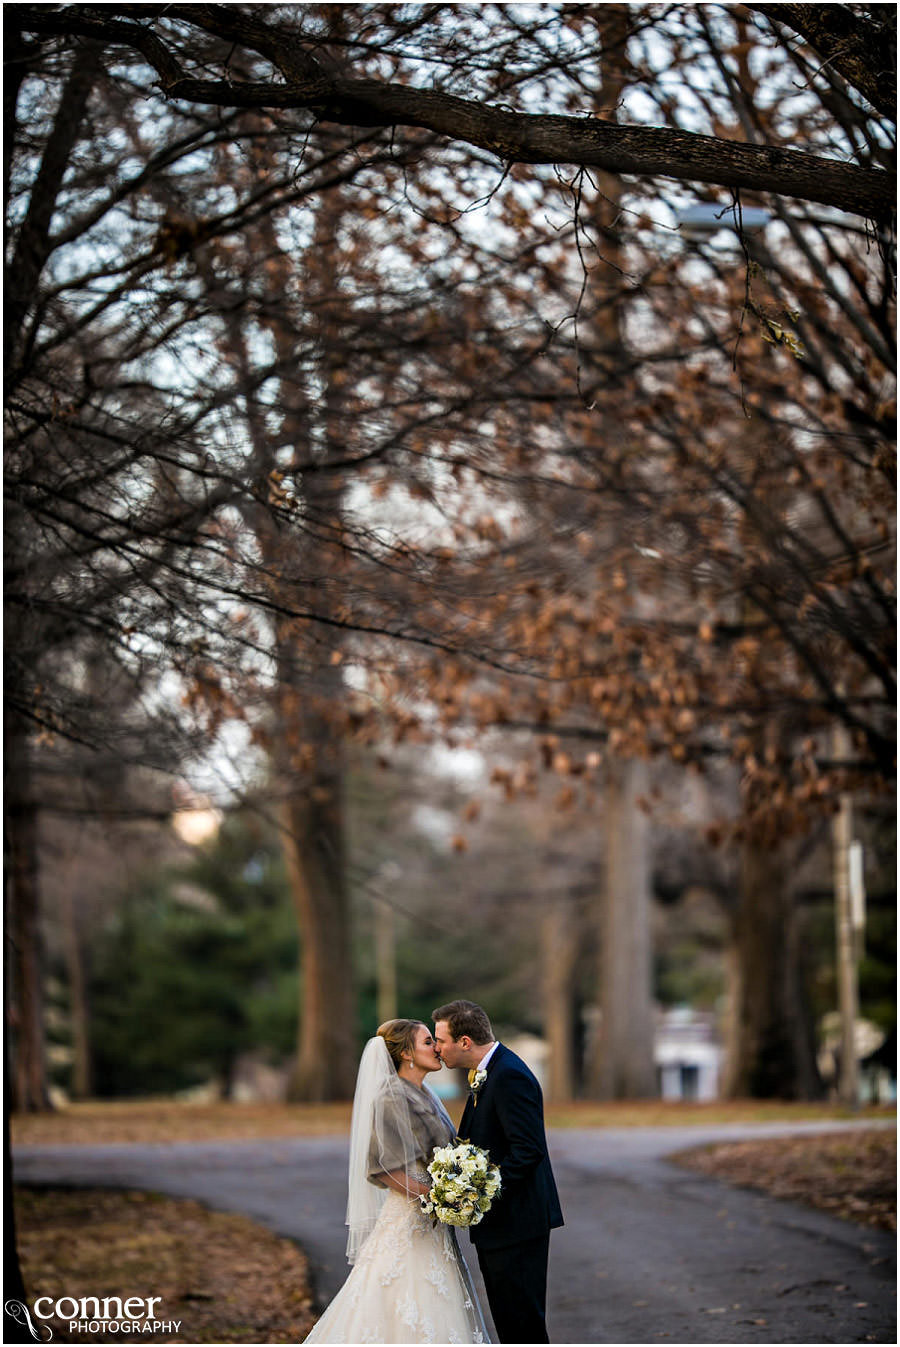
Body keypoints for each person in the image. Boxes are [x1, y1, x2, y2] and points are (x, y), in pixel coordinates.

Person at [303, 1018, 489, 1344]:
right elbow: (383, 1169)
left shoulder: (425, 1093)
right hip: (410, 1219)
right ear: (406, 1053)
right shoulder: (391, 1097)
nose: (437, 1048)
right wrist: (437, 1195)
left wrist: (457, 1186)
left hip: (433, 1222)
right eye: (428, 1041)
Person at [432, 1000, 563, 1345]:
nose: (437, 1047)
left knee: (522, 1325)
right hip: (504, 1227)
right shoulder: (490, 1073)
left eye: (441, 1040)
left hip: (517, 1223)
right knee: (510, 1321)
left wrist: (477, 1193)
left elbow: (527, 1151)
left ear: (464, 1042)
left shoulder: (509, 1076)